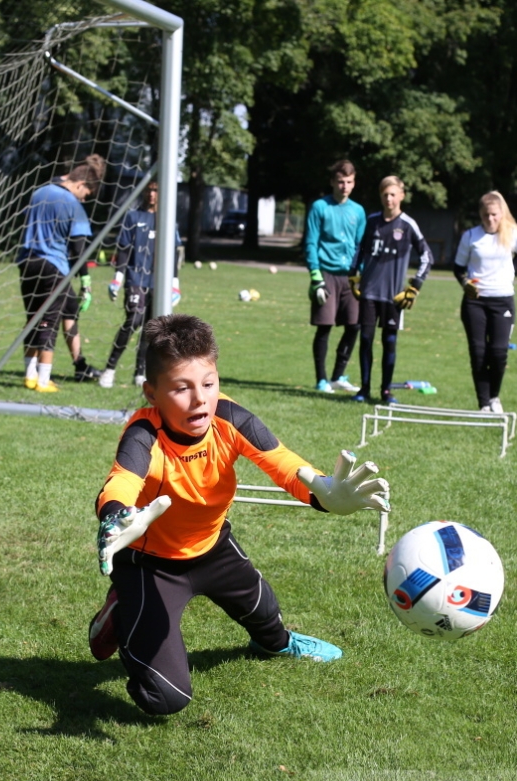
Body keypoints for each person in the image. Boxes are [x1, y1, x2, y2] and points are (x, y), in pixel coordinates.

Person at [87, 314, 391, 716]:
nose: (199, 399)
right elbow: (122, 479)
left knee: (269, 622)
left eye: (208, 384)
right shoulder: (144, 434)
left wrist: (325, 495)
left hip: (213, 548)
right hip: (150, 565)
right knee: (166, 698)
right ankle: (122, 610)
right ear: (152, 393)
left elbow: (283, 464)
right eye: (181, 388)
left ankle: (276, 643)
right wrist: (117, 514)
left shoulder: (231, 418)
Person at [16, 155, 106, 392]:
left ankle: (29, 375)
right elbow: (78, 249)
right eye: (85, 194)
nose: (83, 199)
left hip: (26, 263)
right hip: (53, 267)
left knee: (33, 319)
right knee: (49, 323)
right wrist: (85, 279)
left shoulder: (39, 192)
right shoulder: (73, 205)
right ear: (79, 184)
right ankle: (44, 380)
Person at [350, 176, 432, 404]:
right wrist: (353, 275)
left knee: (390, 342)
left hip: (393, 296)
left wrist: (415, 286)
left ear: (401, 196)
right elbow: (359, 249)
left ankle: (385, 391)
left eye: (393, 194)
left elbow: (427, 256)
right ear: (381, 196)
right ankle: (364, 389)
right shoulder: (372, 220)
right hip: (368, 292)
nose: (389, 198)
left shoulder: (408, 224)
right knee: (365, 340)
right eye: (385, 194)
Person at [99, 181, 182, 389]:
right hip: (136, 278)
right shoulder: (132, 217)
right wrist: (118, 277)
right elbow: (124, 250)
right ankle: (109, 369)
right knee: (133, 320)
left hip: (159, 282)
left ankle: (140, 373)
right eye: (149, 190)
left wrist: (175, 283)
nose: (152, 194)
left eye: (156, 190)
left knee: (151, 328)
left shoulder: (167, 219)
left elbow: (174, 253)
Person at [453, 191, 517, 413]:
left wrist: (510, 272)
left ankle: (494, 396)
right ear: (480, 214)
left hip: (503, 301)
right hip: (475, 302)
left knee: (498, 352)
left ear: (501, 213)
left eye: (495, 215)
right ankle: (483, 403)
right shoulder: (470, 236)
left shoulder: (513, 234)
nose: (491, 219)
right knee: (478, 353)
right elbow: (458, 268)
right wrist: (465, 283)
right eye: (486, 215)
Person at [305, 160, 367, 394]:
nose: (344, 186)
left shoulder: (358, 211)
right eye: (340, 181)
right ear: (333, 182)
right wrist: (316, 277)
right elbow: (311, 242)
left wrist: (359, 273)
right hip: (326, 274)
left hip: (350, 278)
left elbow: (361, 245)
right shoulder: (320, 207)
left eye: (349, 182)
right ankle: (321, 380)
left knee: (354, 325)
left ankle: (338, 375)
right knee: (325, 326)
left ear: (354, 183)